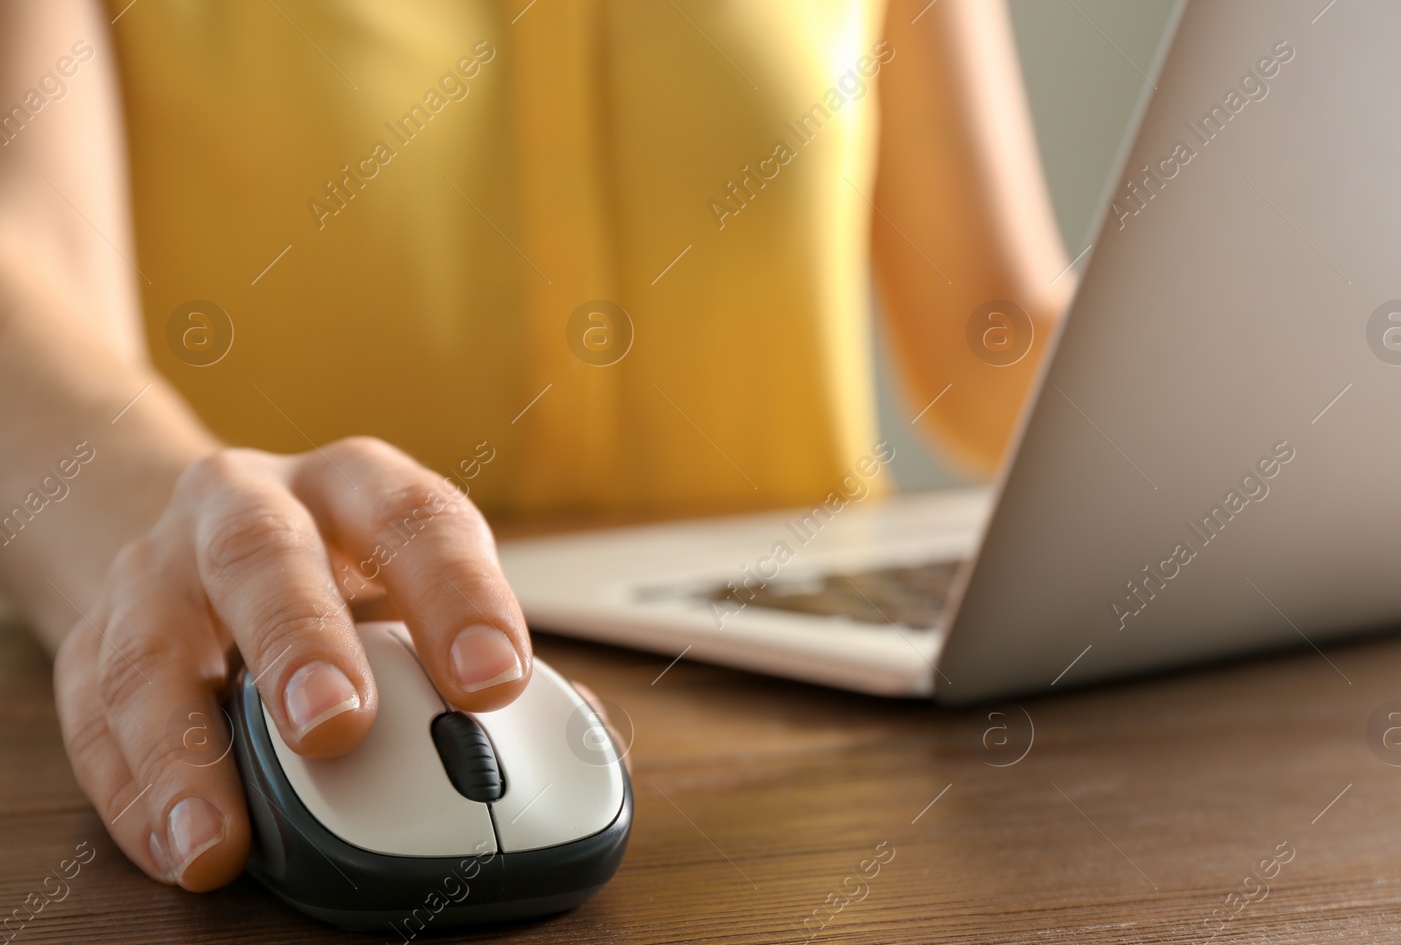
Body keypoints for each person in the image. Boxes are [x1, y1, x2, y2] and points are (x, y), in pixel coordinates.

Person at [0, 0, 1068, 891]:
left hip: (831, 704)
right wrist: (190, 522)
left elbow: (989, 334)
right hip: (328, 649)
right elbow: (23, 258)